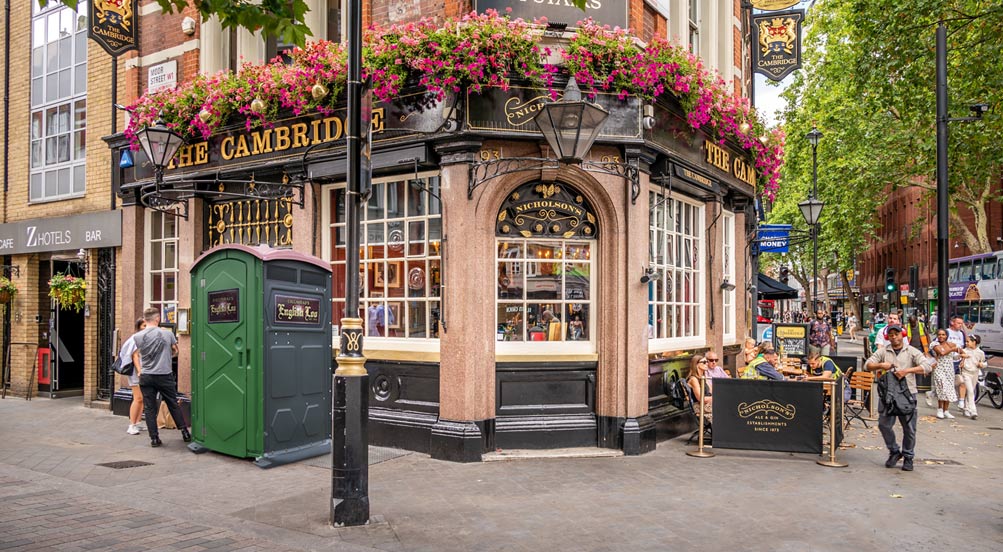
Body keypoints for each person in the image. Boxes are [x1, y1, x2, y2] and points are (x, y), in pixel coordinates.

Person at [865, 325, 931, 471]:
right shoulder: (883, 351)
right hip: (888, 395)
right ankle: (894, 450)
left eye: (897, 334)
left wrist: (907, 371)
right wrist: (881, 365)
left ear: (902, 335)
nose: (894, 337)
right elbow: (867, 364)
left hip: (907, 394)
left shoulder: (912, 351)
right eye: (891, 335)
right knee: (884, 424)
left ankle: (908, 456)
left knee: (909, 428)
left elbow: (927, 366)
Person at [133, 307, 190, 448]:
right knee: (172, 403)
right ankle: (184, 432)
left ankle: (154, 438)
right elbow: (176, 350)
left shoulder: (138, 337)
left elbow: (138, 353)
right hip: (164, 374)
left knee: (150, 408)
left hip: (146, 375)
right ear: (158, 318)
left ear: (145, 320)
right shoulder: (167, 334)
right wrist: (168, 356)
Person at [119, 318, 147, 435]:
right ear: (139, 327)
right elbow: (135, 356)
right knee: (138, 398)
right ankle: (132, 425)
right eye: (144, 325)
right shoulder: (137, 338)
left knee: (142, 398)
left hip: (141, 371)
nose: (146, 327)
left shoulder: (143, 338)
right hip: (136, 372)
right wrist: (140, 371)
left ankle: (138, 422)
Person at [929, 328, 960, 419]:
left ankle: (946, 410)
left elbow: (954, 357)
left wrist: (961, 355)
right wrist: (952, 349)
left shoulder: (950, 344)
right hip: (939, 369)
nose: (941, 336)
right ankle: (939, 409)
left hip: (949, 370)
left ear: (946, 336)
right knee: (942, 388)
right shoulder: (934, 344)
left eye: (943, 335)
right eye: (939, 334)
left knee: (948, 389)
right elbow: (942, 353)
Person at [959, 334, 986, 420]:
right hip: (966, 372)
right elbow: (955, 356)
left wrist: (981, 364)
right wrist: (961, 356)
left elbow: (984, 362)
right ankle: (973, 410)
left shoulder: (980, 352)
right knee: (970, 391)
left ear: (974, 342)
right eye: (966, 341)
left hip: (975, 373)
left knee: (971, 390)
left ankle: (966, 408)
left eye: (968, 341)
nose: (966, 343)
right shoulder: (964, 351)